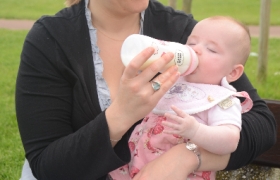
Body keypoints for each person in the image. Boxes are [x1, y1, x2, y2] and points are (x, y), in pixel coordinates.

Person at [15, 0, 276, 179]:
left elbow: (261, 124)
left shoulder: (186, 33)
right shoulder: (52, 40)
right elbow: (48, 167)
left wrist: (186, 157)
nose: (197, 47)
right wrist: (121, 115)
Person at [109, 16, 253, 180]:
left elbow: (230, 141)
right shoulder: (173, 80)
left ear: (232, 73)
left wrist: (196, 131)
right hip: (138, 165)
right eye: (191, 43)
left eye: (211, 49)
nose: (196, 50)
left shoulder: (221, 100)